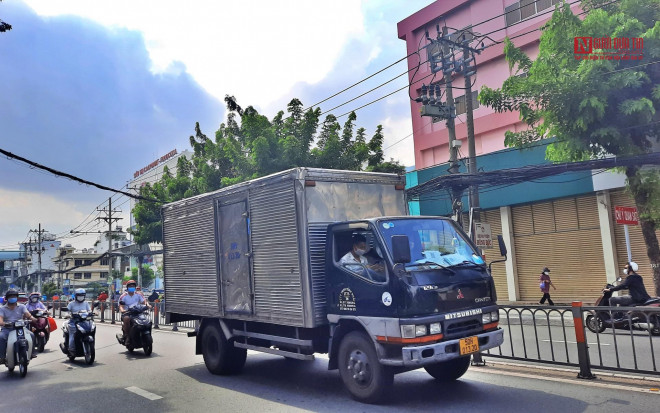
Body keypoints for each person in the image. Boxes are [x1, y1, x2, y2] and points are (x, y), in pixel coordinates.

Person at [0, 289, 38, 364]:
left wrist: (33, 318)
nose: (12, 298)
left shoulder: (22, 306)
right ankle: (2, 357)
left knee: (32, 335)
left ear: (17, 297)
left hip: (20, 328)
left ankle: (32, 353)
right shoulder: (2, 309)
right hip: (7, 329)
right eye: (10, 296)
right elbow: (0, 319)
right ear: (7, 298)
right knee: (1, 337)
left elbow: (27, 314)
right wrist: (4, 323)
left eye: (14, 296)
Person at [119, 280, 151, 345]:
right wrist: (123, 310)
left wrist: (147, 305)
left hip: (137, 312)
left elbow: (144, 301)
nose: (132, 287)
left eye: (133, 286)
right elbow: (121, 306)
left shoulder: (138, 295)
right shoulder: (123, 296)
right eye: (130, 286)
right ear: (127, 287)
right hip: (127, 313)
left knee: (147, 319)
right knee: (126, 319)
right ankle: (127, 337)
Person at [66, 288, 92, 355]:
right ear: (75, 296)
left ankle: (91, 345)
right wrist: (68, 315)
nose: (81, 297)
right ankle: (71, 349)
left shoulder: (86, 303)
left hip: (84, 321)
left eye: (82, 295)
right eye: (79, 295)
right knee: (73, 333)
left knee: (91, 329)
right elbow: (67, 311)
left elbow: (89, 310)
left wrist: (93, 313)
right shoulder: (71, 304)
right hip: (73, 322)